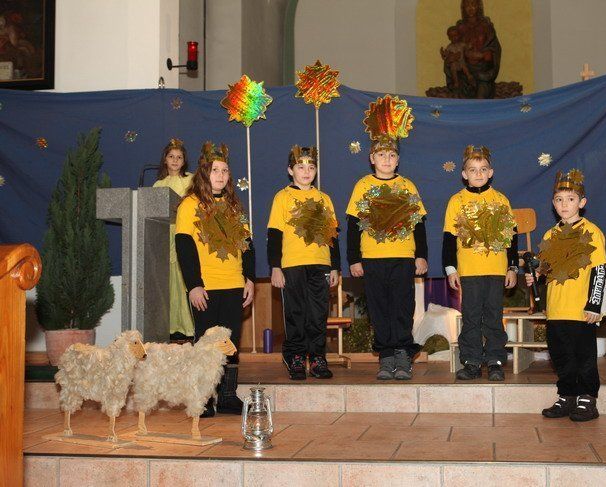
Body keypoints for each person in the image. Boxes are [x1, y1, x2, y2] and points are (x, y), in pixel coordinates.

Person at [175, 141, 255, 417]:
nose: (220, 175)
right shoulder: (190, 204)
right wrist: (194, 285)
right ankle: (205, 398)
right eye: (215, 170)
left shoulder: (234, 207)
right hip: (206, 287)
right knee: (206, 345)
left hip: (234, 285)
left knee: (230, 343)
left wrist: (249, 279)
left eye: (225, 170)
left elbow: (247, 245)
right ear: (204, 173)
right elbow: (184, 247)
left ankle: (229, 395)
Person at [526, 169, 606, 422]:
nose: (564, 204)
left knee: (583, 356)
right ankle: (567, 395)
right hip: (556, 310)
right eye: (559, 199)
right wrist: (536, 275)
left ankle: (587, 398)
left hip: (581, 310)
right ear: (553, 203)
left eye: (571, 199)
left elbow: (600, 270)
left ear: (582, 203)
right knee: (561, 355)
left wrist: (594, 304)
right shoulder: (550, 235)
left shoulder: (592, 232)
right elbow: (547, 268)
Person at [346, 136, 428, 380]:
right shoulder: (362, 186)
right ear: (372, 158)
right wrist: (354, 259)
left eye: (391, 155)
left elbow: (419, 225)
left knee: (403, 306)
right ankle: (386, 355)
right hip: (372, 258)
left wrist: (421, 256)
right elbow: (353, 225)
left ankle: (402, 353)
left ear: (398, 160)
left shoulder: (407, 186)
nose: (387, 159)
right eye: (381, 155)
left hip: (403, 257)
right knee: (379, 307)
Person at [443, 145, 518, 381]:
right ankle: (472, 361)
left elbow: (511, 237)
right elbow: (449, 238)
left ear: (490, 172)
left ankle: (495, 360)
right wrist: (451, 269)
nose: (478, 174)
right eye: (473, 170)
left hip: (496, 269)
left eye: (483, 169)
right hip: (469, 271)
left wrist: (512, 267)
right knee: (472, 317)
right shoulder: (456, 201)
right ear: (464, 174)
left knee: (494, 316)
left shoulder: (501, 200)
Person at [267, 145, 341, 380]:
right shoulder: (282, 197)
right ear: (290, 170)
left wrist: (335, 266)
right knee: (295, 313)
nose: (306, 172)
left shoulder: (324, 199)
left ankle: (317, 357)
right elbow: (274, 234)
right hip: (292, 265)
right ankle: (296, 356)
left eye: (311, 167)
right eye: (300, 167)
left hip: (321, 264)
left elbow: (332, 235)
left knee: (318, 314)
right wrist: (275, 267)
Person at [153, 138, 195, 341]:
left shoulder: (191, 180)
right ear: (165, 160)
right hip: (165, 235)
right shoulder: (158, 185)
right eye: (171, 156)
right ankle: (171, 326)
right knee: (169, 280)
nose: (175, 160)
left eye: (179, 157)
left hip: (185, 232)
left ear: (184, 161)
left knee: (185, 276)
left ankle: (190, 326)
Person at [440, 26, 474, 91]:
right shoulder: (449, 47)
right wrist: (443, 53)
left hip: (462, 63)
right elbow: (446, 55)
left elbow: (467, 47)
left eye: (456, 35)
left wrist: (470, 45)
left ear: (459, 35)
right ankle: (456, 82)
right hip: (455, 64)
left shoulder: (461, 44)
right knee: (453, 67)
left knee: (464, 66)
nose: (454, 38)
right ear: (449, 38)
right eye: (452, 36)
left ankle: (469, 76)